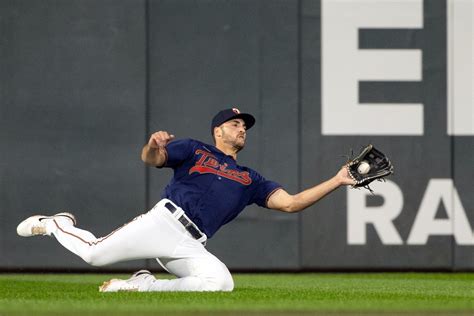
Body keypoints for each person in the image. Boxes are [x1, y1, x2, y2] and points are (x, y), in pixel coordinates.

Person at [17, 108, 356, 292]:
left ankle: (143, 285)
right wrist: (154, 144)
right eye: (235, 123)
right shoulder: (195, 149)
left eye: (244, 126)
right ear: (217, 132)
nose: (242, 129)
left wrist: (338, 180)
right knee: (94, 255)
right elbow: (152, 159)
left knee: (221, 283)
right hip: (163, 221)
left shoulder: (251, 179)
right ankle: (57, 223)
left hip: (192, 243)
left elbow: (292, 203)